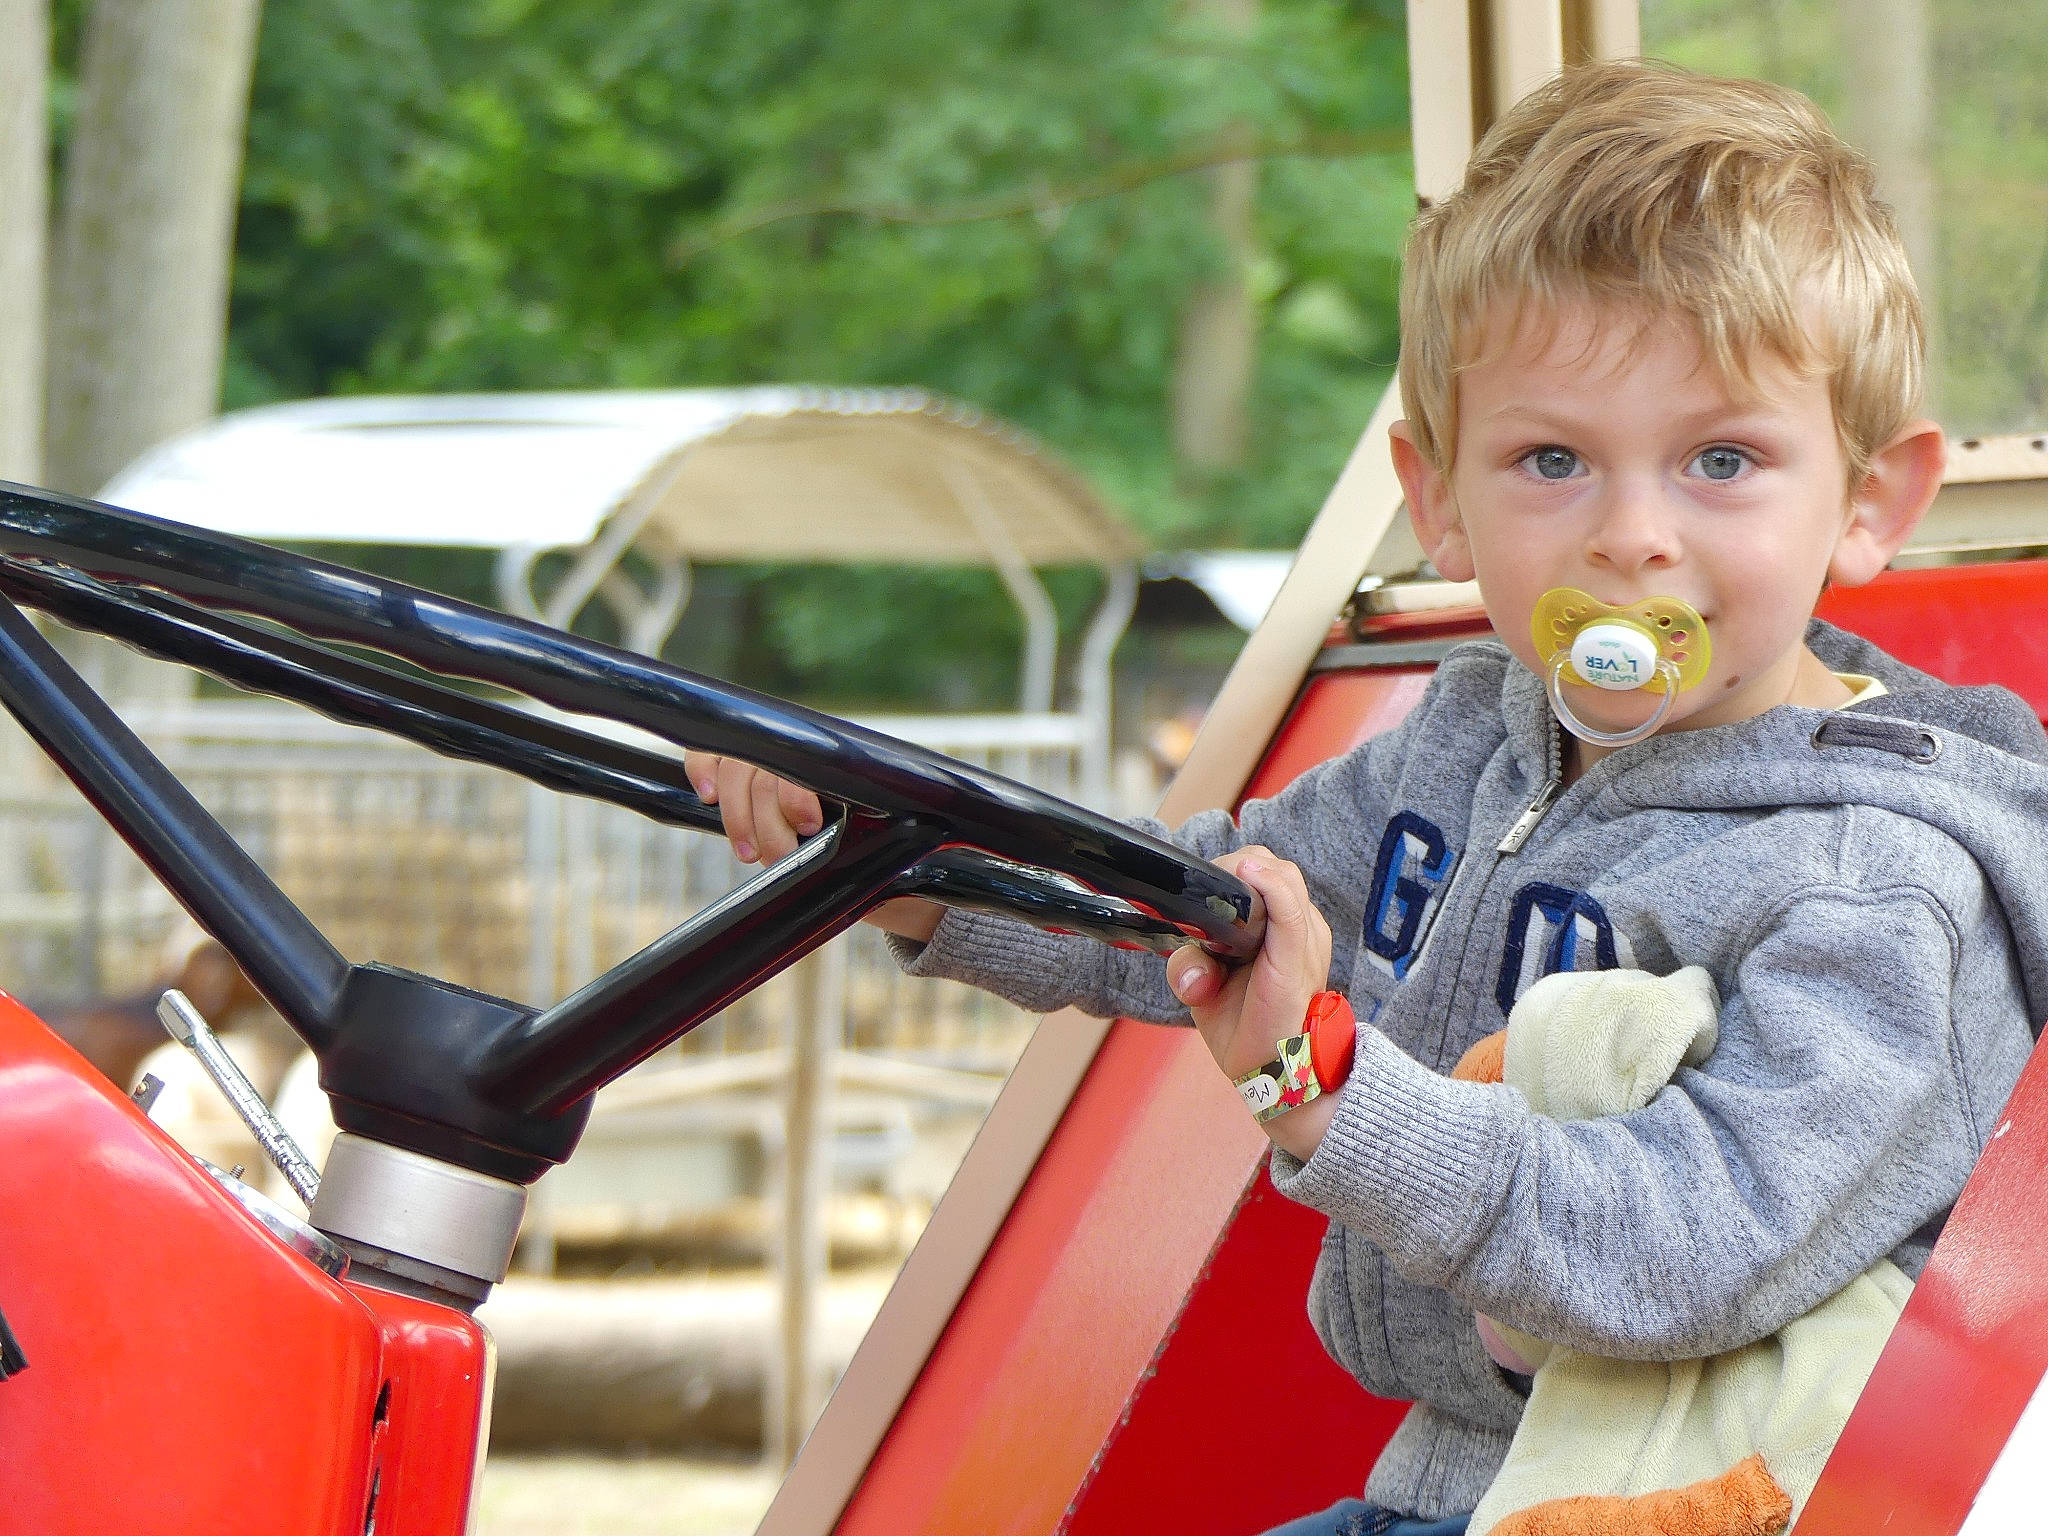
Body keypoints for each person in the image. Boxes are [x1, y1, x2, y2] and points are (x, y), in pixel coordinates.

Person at [684, 61, 2048, 1536]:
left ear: (1869, 504)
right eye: (1552, 460)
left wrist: (1321, 1085)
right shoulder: (1470, 742)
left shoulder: (1876, 878)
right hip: (1433, 1492)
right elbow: (1195, 905)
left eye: (1723, 460)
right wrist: (914, 865)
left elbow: (1689, 1241)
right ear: (1439, 494)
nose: (1633, 537)